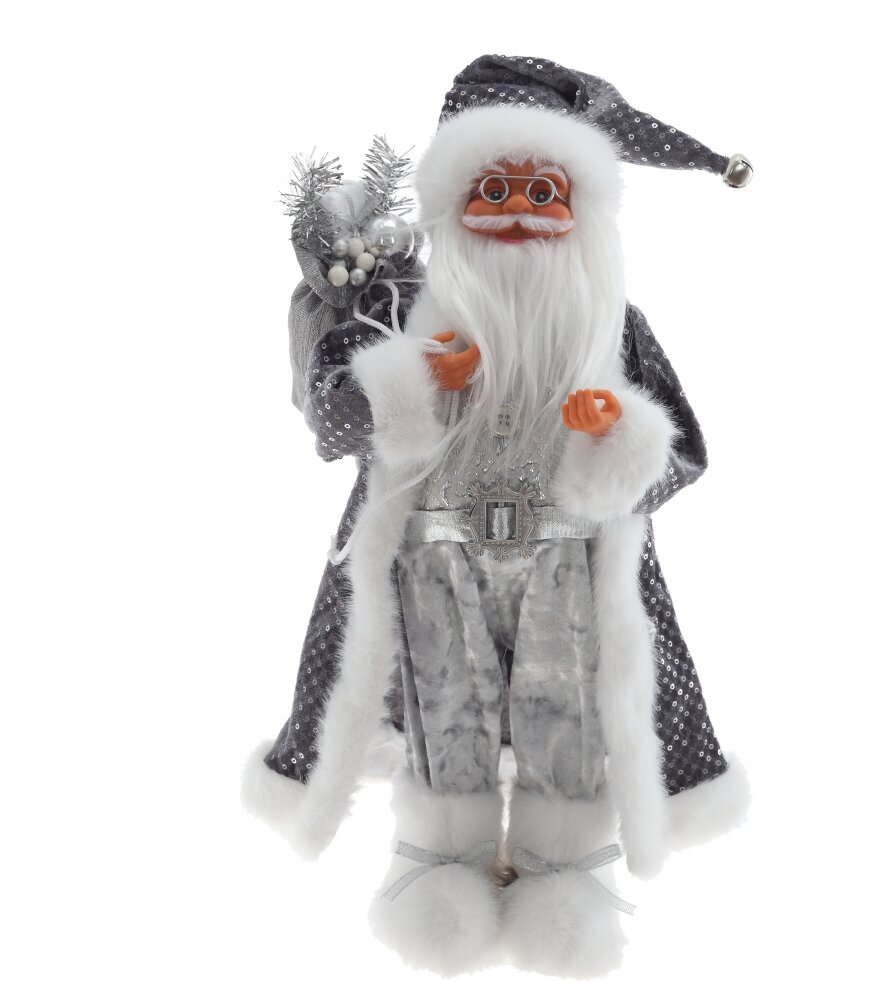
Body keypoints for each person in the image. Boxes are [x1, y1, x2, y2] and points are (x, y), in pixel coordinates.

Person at [242, 54, 752, 978]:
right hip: (433, 562)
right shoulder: (399, 308)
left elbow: (681, 457)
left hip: (568, 565)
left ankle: (567, 881)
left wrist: (617, 434)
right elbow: (331, 423)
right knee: (447, 714)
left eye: (542, 191)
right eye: (493, 189)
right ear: (452, 203)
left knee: (569, 720)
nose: (518, 209)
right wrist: (413, 378)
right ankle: (438, 872)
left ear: (581, 211)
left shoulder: (611, 328)